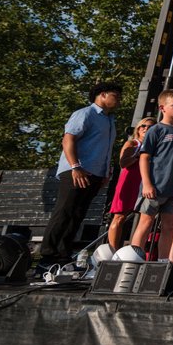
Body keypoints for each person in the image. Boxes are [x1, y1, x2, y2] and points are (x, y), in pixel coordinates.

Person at [40, 81, 122, 263]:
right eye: (115, 96)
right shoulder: (85, 114)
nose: (119, 100)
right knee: (64, 211)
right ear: (102, 95)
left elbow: (105, 148)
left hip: (95, 174)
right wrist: (75, 167)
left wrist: (105, 172)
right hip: (77, 171)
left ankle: (62, 255)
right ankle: (47, 256)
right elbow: (68, 140)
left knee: (78, 214)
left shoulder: (109, 120)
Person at [130, 89, 173, 263]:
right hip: (155, 185)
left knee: (170, 225)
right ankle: (133, 260)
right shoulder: (155, 130)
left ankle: (163, 262)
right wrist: (146, 183)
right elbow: (144, 157)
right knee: (146, 223)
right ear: (162, 108)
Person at [106, 117, 155, 251]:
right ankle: (113, 250)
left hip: (146, 183)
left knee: (144, 217)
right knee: (119, 216)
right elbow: (123, 163)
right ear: (138, 129)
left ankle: (136, 250)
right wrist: (139, 154)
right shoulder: (132, 144)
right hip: (130, 181)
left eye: (150, 127)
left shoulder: (156, 146)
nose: (146, 129)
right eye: (143, 126)